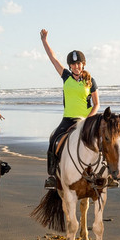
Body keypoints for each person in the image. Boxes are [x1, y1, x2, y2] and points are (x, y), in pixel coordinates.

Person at [40, 29, 101, 189]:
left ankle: (104, 175)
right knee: (54, 139)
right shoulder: (65, 76)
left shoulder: (90, 81)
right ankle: (52, 176)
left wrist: (89, 119)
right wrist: (44, 41)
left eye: (79, 63)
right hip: (68, 120)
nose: (76, 66)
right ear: (70, 66)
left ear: (83, 64)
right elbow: (53, 59)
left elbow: (97, 104)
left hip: (86, 120)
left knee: (103, 141)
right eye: (73, 64)